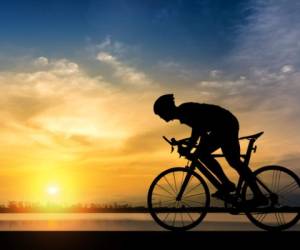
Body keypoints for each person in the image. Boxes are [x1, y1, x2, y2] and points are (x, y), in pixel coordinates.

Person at [153, 94, 268, 207]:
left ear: (166, 110)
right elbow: (197, 132)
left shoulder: (185, 111)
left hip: (225, 124)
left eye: (160, 115)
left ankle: (253, 194)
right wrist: (186, 145)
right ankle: (229, 185)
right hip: (222, 124)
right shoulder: (183, 113)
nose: (161, 118)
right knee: (220, 157)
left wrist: (189, 148)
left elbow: (199, 130)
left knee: (227, 159)